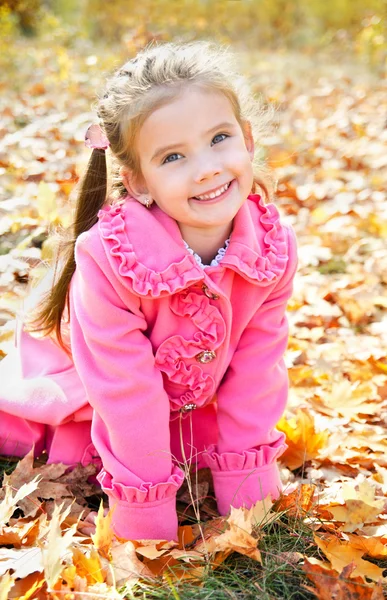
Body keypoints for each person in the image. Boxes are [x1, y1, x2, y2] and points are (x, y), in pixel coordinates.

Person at [0, 41, 298, 541]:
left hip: (192, 401)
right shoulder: (111, 259)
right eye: (174, 156)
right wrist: (147, 523)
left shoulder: (269, 246)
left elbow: (256, 371)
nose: (206, 168)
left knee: (202, 447)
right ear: (137, 179)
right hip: (100, 394)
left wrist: (250, 504)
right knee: (68, 448)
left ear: (247, 139)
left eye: (219, 138)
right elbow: (125, 393)